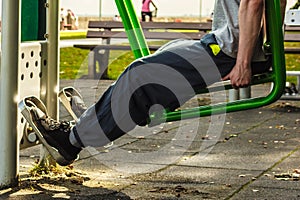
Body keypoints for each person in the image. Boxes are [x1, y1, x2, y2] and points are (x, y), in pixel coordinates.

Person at [26, 0, 287, 166]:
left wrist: (245, 62)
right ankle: (98, 117)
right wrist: (269, 47)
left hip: (229, 51)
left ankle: (70, 141)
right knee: (158, 57)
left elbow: (254, 3)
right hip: (226, 44)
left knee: (141, 74)